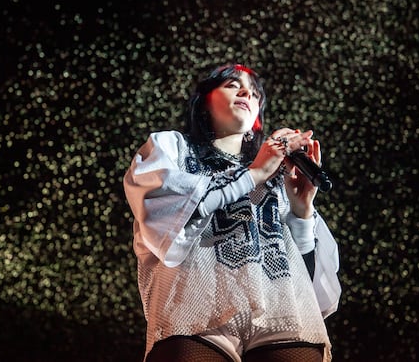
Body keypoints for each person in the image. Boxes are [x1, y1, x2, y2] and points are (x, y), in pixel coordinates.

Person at [123, 63, 341, 362]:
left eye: (253, 93)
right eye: (231, 84)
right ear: (203, 102)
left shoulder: (278, 176)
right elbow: (161, 215)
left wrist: (302, 213)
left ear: (257, 119)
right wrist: (252, 175)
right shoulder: (171, 147)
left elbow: (314, 293)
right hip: (197, 313)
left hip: (283, 314)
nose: (245, 93)